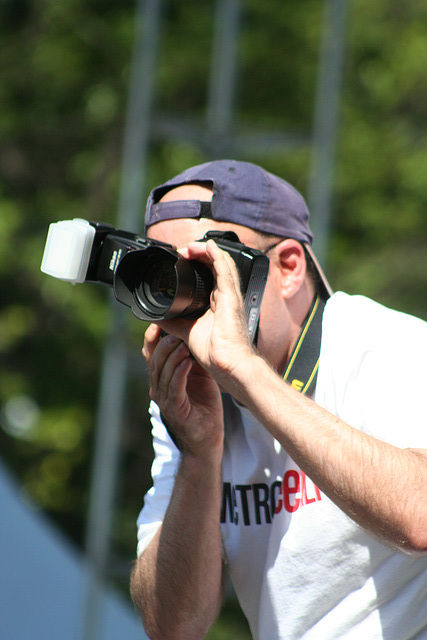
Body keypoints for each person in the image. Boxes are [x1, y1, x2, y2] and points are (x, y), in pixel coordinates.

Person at [129, 159, 427, 640]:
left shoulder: (388, 346)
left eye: (203, 270)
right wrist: (200, 453)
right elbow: (173, 628)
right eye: (168, 276)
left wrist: (244, 372)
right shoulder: (191, 398)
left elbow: (420, 516)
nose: (186, 301)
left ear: (287, 267)